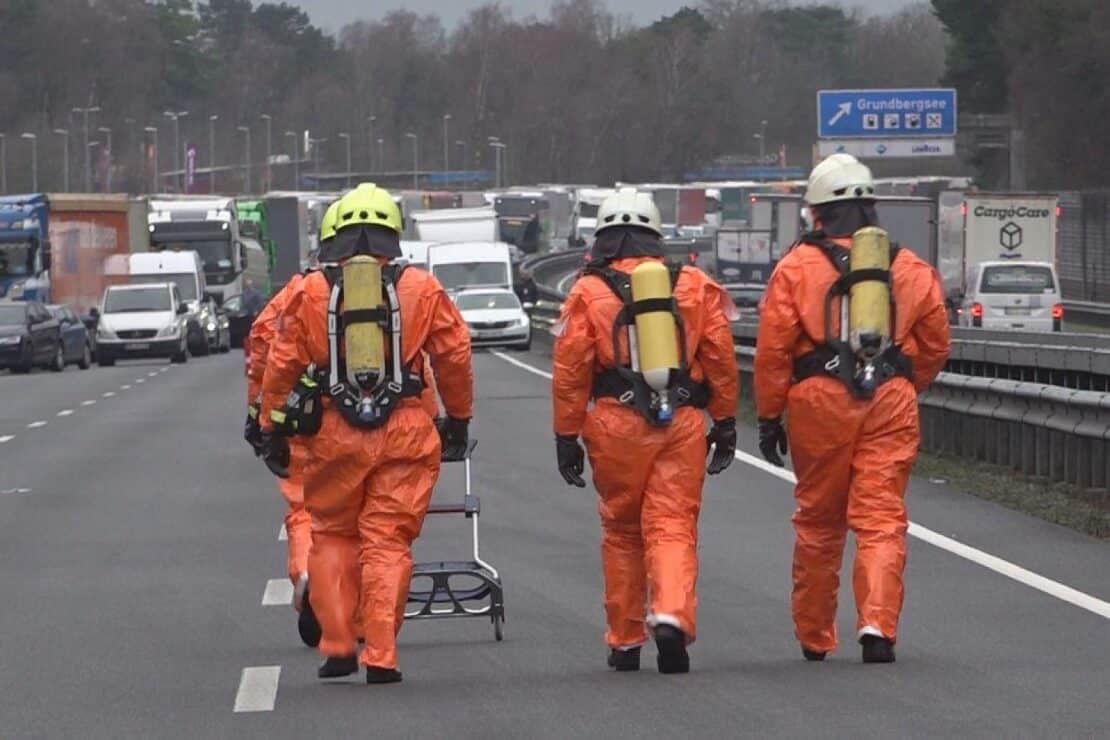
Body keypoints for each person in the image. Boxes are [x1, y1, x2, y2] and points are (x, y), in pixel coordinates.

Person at [259, 184, 473, 684]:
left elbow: (281, 363)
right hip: (405, 431)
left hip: (333, 432)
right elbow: (454, 355)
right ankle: (381, 654)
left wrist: (270, 426)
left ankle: (337, 644)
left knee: (332, 534)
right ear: (392, 234)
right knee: (387, 542)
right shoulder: (422, 288)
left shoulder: (310, 291)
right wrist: (459, 418)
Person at [754, 154, 950, 664]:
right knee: (881, 516)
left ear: (816, 212)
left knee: (819, 521)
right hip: (890, 399)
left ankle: (815, 634)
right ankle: (878, 626)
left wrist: (770, 416)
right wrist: (902, 385)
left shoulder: (796, 267)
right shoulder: (910, 268)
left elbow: (774, 350)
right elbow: (935, 343)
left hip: (819, 399)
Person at [552, 188, 739, 674]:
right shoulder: (694, 284)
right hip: (680, 422)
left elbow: (571, 370)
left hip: (615, 423)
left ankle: (625, 640)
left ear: (602, 238)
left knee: (621, 530)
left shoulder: (587, 292)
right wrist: (724, 421)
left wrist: (566, 436)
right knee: (672, 524)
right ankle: (672, 614)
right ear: (656, 235)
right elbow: (720, 357)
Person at [245, 201, 342, 647]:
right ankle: (360, 611)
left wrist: (262, 418)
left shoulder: (300, 291)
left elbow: (264, 344)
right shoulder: (398, 289)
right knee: (368, 519)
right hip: (375, 424)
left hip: (304, 422)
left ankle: (307, 574)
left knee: (305, 510)